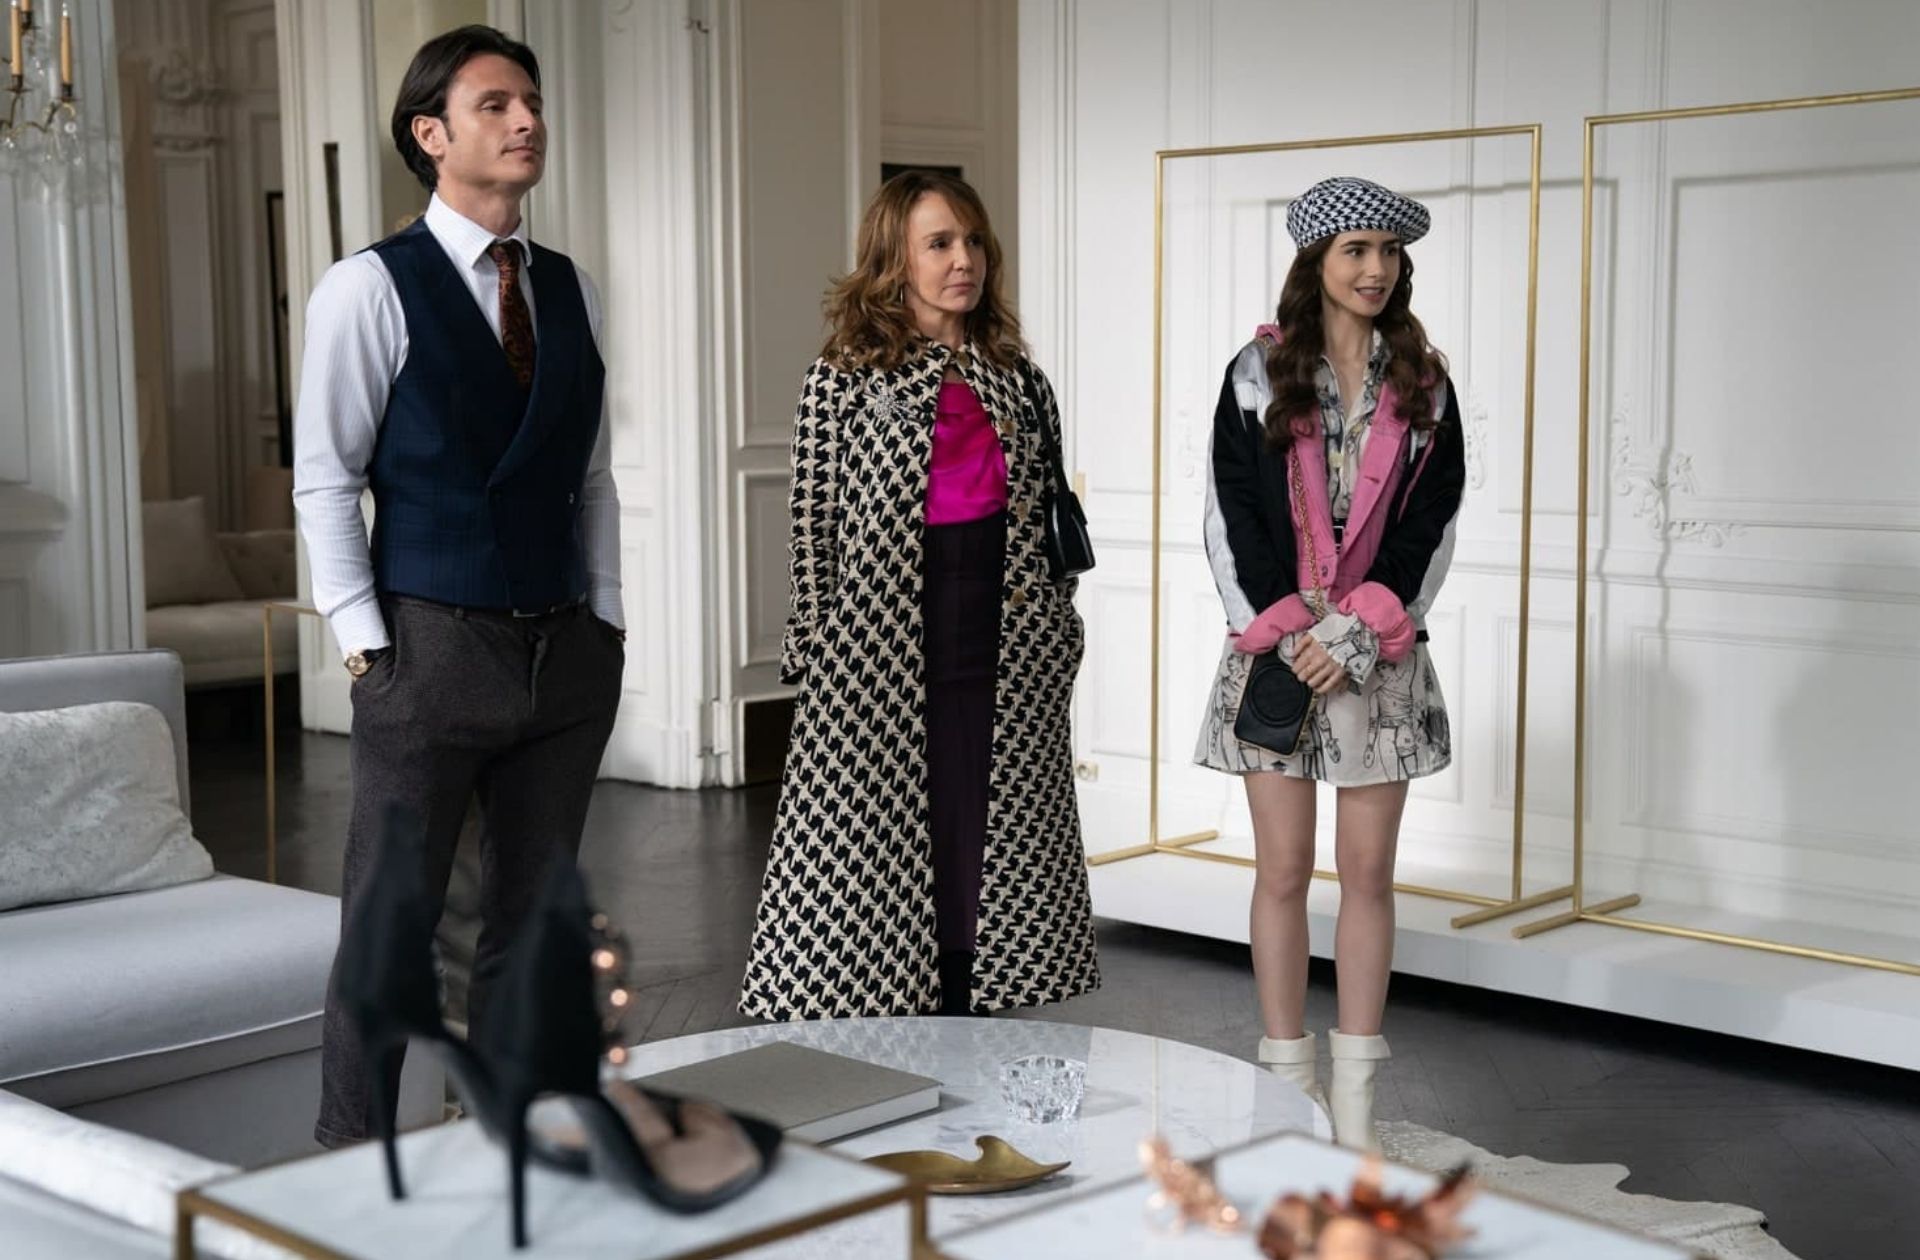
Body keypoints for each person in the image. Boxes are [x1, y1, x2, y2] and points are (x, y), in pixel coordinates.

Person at [293, 24, 625, 1148]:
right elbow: (326, 480)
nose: (528, 120)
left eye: (532, 101)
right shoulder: (365, 289)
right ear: (430, 135)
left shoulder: (570, 288)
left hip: (565, 654)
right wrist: (366, 646)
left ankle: (505, 1154)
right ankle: (348, 1170)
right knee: (390, 937)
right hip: (428, 651)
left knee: (529, 935)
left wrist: (607, 621)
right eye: (496, 104)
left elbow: (591, 476)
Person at [739, 171, 1098, 1020]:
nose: (963, 260)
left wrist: (1061, 625)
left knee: (994, 815)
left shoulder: (1019, 378)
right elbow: (813, 522)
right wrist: (815, 644)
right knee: (883, 827)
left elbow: (1052, 513)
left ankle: (979, 986)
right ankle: (897, 1000)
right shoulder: (844, 377)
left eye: (972, 242)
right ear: (894, 260)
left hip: (1007, 625)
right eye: (939, 244)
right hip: (883, 632)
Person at [1196, 176, 1465, 1149]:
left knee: (1368, 874)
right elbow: (1230, 512)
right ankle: (1286, 1103)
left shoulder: (1425, 383)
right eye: (1356, 250)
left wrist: (1353, 633)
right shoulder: (1256, 373)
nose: (1375, 269)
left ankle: (1354, 1116)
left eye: (1389, 251)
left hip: (1377, 662)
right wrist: (1287, 631)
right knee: (1279, 872)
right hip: (1277, 654)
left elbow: (1432, 525)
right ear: (1317, 262)